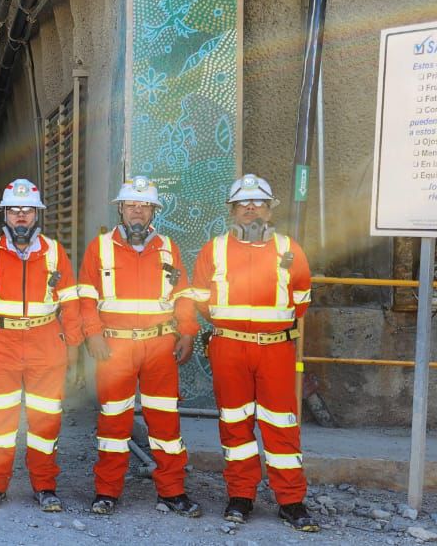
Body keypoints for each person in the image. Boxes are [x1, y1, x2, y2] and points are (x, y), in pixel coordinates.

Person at [190, 174, 317, 532]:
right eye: (243, 204)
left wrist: (269, 329)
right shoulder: (213, 249)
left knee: (281, 425)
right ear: (232, 210)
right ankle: (240, 496)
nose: (250, 209)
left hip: (275, 348)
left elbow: (302, 299)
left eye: (258, 203)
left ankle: (290, 501)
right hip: (228, 346)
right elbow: (200, 299)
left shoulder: (288, 249)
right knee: (234, 422)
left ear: (269, 208)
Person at [77, 176, 200, 517]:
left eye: (144, 205)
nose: (137, 211)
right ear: (120, 209)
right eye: (131, 204)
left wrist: (187, 331)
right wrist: (93, 333)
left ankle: (172, 492)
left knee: (165, 424)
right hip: (114, 347)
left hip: (159, 346)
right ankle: (107, 492)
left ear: (153, 212)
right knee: (113, 423)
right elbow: (86, 296)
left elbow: (183, 294)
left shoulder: (168, 248)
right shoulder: (99, 248)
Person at [0, 178, 81, 513]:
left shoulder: (54, 252)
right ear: (4, 214)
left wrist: (73, 344)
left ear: (36, 214)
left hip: (45, 340)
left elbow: (70, 301)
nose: (20, 217)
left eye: (26, 210)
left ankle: (45, 486)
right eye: (14, 210)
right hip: (1, 342)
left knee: (45, 419)